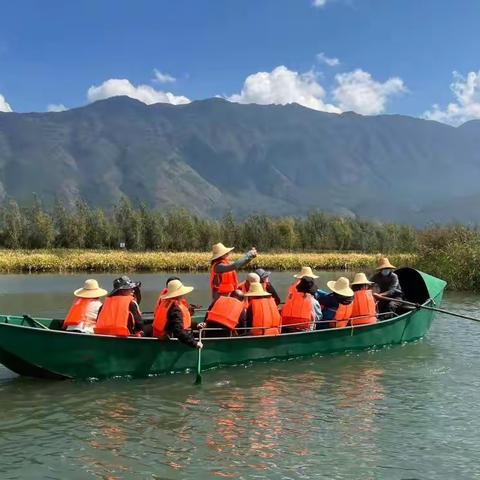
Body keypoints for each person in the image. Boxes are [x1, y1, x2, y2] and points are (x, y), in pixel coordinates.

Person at [153, 279, 202, 348]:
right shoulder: (175, 309)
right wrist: (195, 344)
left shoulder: (167, 303)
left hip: (164, 336)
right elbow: (178, 331)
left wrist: (196, 325)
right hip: (174, 339)